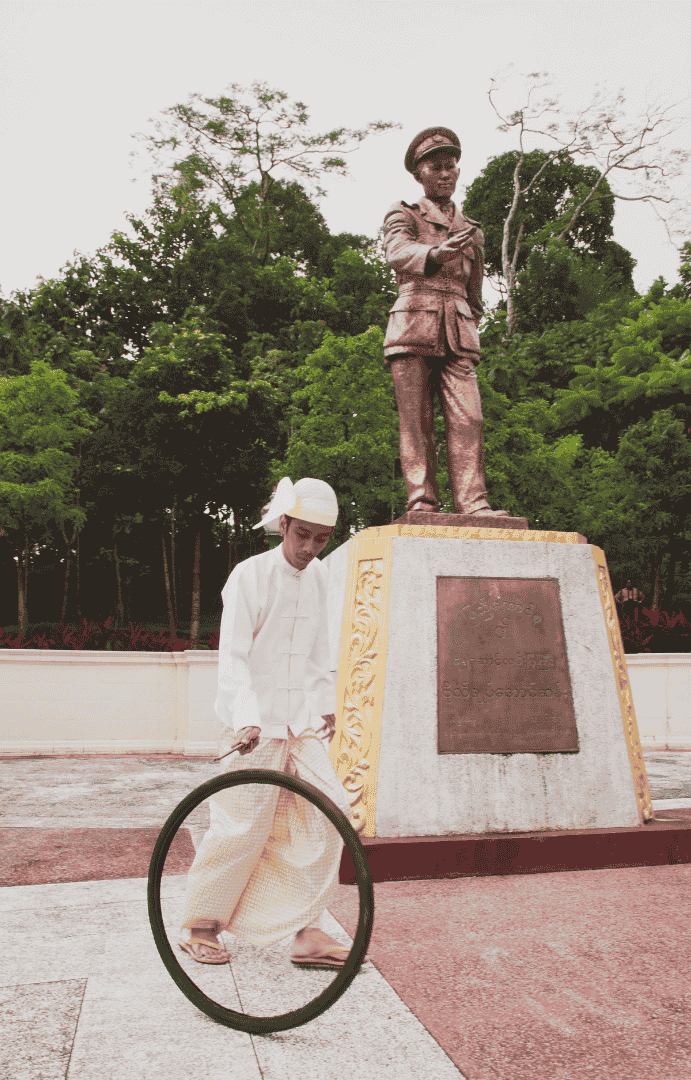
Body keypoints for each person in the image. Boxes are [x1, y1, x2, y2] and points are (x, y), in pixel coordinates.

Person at [177, 476, 353, 969]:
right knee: (241, 826)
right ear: (284, 525)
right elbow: (232, 657)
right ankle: (201, 926)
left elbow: (320, 654)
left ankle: (307, 931)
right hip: (252, 727)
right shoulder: (249, 576)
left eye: (322, 539)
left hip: (300, 725)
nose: (310, 548)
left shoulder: (319, 578)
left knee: (331, 811)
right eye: (303, 535)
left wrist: (325, 706)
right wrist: (246, 718)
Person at [382, 126, 509, 517]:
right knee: (417, 421)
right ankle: (422, 501)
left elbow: (475, 287)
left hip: (459, 327)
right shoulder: (404, 213)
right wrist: (435, 253)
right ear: (419, 174)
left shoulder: (472, 229)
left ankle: (474, 504)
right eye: (437, 167)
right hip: (413, 324)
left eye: (451, 166)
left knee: (469, 418)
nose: (446, 174)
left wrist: (475, 317)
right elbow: (397, 251)